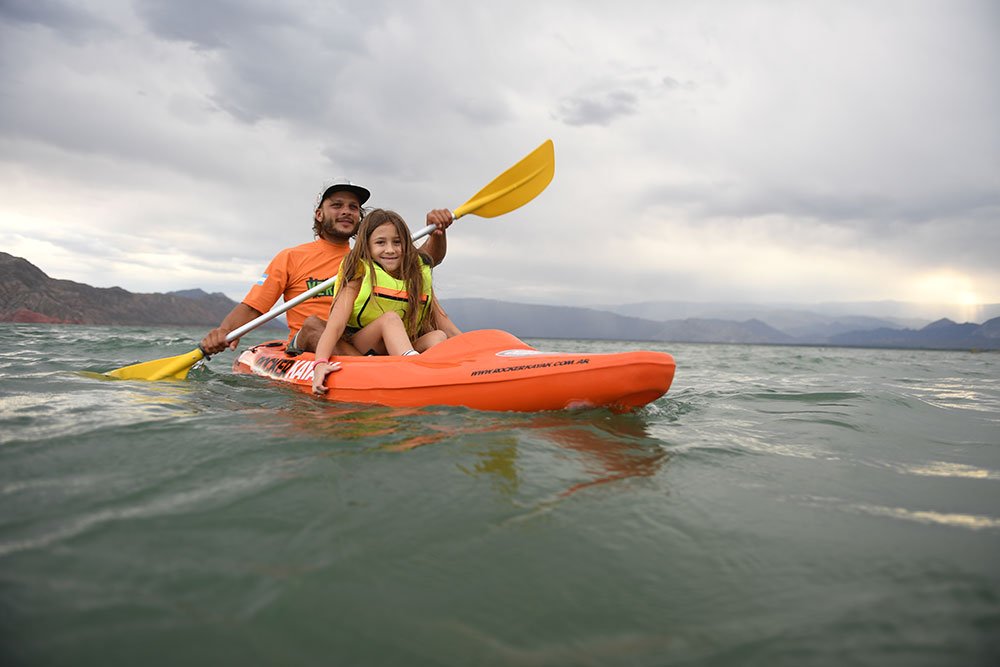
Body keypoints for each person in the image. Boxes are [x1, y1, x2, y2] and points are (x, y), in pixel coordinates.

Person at [199, 181, 454, 356]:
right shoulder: (291, 257)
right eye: (337, 205)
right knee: (314, 325)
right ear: (319, 214)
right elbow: (254, 307)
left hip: (361, 340)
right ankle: (372, 370)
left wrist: (437, 231)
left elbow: (427, 258)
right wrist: (225, 331)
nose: (346, 212)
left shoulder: (370, 258)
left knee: (426, 324)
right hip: (311, 343)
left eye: (353, 207)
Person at [311, 209, 461, 395]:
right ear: (367, 246)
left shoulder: (417, 276)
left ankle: (442, 376)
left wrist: (474, 350)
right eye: (380, 242)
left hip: (400, 348)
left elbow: (447, 325)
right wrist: (320, 363)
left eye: (397, 242)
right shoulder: (360, 273)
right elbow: (335, 326)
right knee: (390, 319)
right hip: (363, 345)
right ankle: (413, 369)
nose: (390, 250)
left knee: (438, 336)